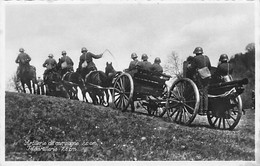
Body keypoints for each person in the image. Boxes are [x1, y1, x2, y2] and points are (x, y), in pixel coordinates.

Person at [187, 47, 211, 115]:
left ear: (196, 52)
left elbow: (192, 68)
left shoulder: (195, 58)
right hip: (207, 76)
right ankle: (206, 110)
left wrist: (188, 66)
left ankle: (200, 110)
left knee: (200, 92)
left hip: (200, 77)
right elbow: (209, 67)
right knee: (205, 93)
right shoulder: (206, 57)